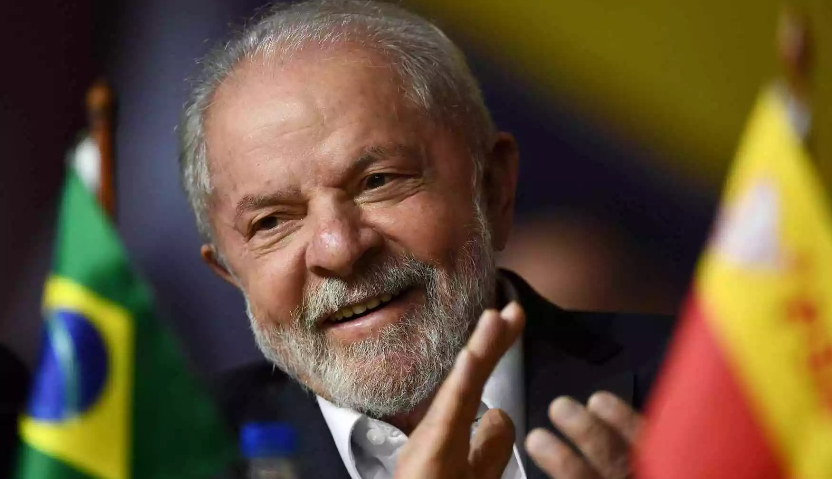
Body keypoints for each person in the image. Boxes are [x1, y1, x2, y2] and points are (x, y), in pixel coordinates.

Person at [178, 1, 673, 478]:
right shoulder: (166, 461)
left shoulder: (689, 389)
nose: (340, 249)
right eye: (271, 222)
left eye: (378, 181)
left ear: (493, 187)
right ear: (230, 272)